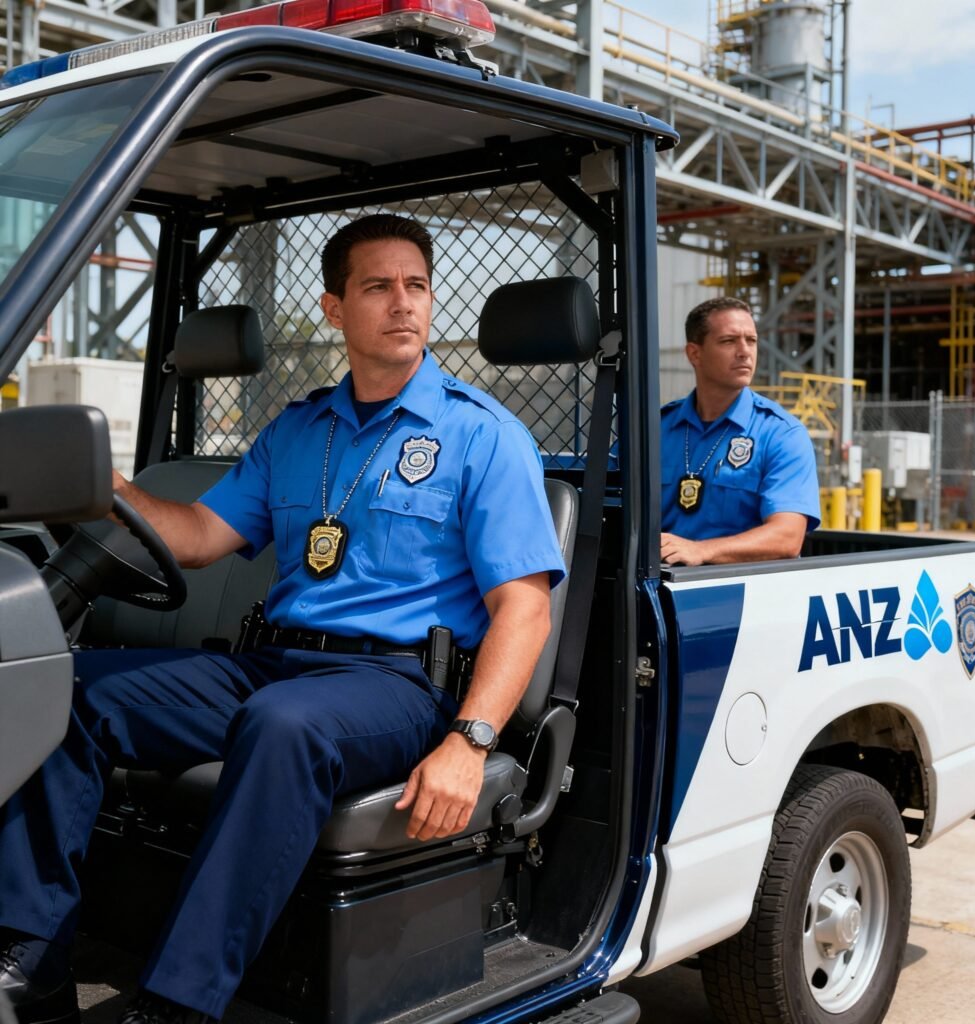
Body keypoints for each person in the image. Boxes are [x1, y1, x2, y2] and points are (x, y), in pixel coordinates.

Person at [0, 214, 566, 1024]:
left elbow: (526, 609)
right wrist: (112, 487)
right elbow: (197, 539)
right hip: (275, 665)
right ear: (335, 308)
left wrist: (469, 742)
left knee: (283, 724)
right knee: (69, 691)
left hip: (397, 683)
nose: (403, 304)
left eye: (416, 286)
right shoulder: (297, 431)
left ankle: (176, 1004)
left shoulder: (483, 436)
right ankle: (32, 955)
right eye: (378, 287)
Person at [660, 296, 820, 566]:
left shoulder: (781, 434)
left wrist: (701, 550)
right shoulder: (658, 429)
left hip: (742, 595)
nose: (745, 351)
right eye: (728, 341)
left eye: (751, 340)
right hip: (656, 588)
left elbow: (787, 537)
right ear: (694, 354)